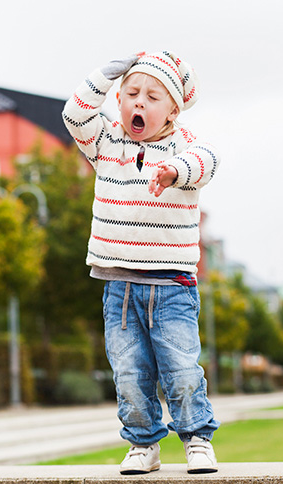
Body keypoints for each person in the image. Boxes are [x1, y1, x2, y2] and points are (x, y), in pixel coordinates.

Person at [62, 51, 221, 475]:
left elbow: (208, 162)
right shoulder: (106, 143)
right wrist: (108, 72)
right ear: (117, 100)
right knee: (129, 373)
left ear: (173, 108)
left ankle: (197, 439)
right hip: (118, 285)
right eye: (131, 93)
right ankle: (143, 444)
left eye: (152, 96)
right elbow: (74, 115)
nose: (139, 103)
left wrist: (173, 171)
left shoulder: (183, 145)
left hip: (171, 286)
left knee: (182, 368)